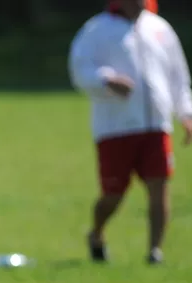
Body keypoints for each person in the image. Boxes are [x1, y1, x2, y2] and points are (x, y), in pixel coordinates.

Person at [69, 0, 191, 264]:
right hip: (116, 127)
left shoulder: (159, 28)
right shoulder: (96, 29)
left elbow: (178, 76)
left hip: (157, 124)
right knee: (113, 195)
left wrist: (186, 113)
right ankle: (97, 233)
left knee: (159, 186)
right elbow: (79, 69)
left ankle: (154, 252)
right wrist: (106, 79)